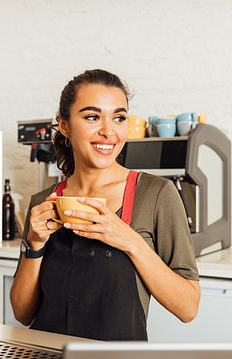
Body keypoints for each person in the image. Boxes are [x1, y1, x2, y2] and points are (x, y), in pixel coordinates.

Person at [10, 69, 200, 341]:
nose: (108, 131)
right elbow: (23, 313)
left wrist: (130, 241)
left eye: (119, 118)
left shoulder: (156, 194)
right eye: (92, 117)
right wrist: (35, 242)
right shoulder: (42, 202)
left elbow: (188, 307)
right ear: (65, 126)